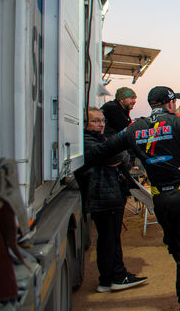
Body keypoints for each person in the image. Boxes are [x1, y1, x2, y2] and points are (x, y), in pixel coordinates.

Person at [85, 86, 180, 311]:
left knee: (177, 248)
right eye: (174, 101)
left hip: (159, 196)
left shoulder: (134, 128)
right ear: (169, 104)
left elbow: (101, 151)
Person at [76, 107, 147, 293]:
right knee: (109, 240)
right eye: (95, 121)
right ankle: (115, 277)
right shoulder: (86, 140)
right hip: (104, 197)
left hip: (109, 195)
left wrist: (118, 156)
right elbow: (119, 155)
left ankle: (110, 278)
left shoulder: (99, 139)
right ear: (85, 123)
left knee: (110, 239)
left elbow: (119, 156)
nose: (100, 124)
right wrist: (120, 155)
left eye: (102, 121)